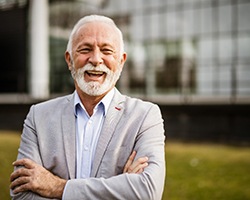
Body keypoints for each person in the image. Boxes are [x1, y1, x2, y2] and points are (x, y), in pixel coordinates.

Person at [10, 15, 166, 200]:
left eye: (107, 51)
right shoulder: (38, 116)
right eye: (85, 49)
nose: (96, 59)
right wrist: (120, 188)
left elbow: (147, 191)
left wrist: (58, 187)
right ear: (69, 60)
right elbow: (22, 195)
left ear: (121, 61)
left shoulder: (145, 116)